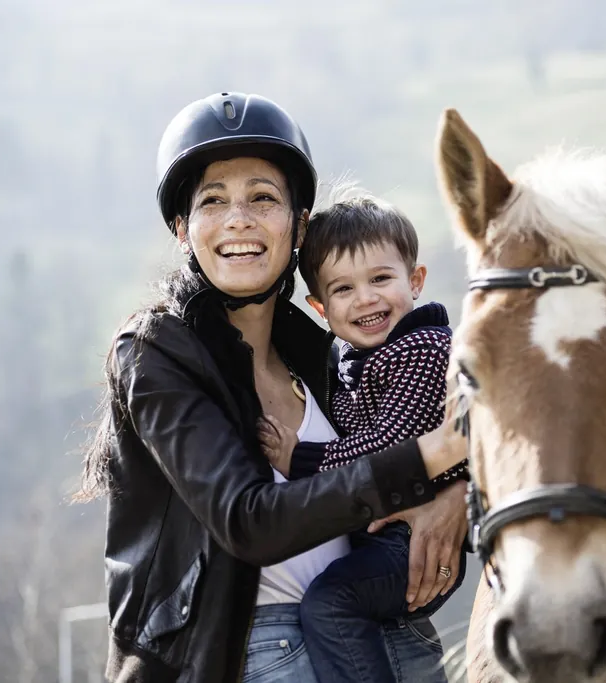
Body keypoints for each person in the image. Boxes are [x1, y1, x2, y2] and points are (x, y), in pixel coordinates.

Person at [76, 92, 468, 683]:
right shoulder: (157, 353)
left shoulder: (325, 352)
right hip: (248, 652)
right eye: (213, 201)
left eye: (263, 197)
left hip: (387, 634)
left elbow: (417, 431)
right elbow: (247, 522)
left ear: (299, 224)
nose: (240, 219)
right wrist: (433, 457)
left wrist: (454, 493)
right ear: (183, 229)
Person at [257, 193, 468, 682]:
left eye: (381, 279)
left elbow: (391, 447)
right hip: (382, 535)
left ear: (415, 280)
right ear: (319, 307)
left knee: (332, 604)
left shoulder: (424, 348)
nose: (366, 298)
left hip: (411, 540)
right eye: (343, 289)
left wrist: (302, 459)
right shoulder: (351, 361)